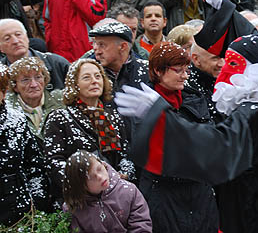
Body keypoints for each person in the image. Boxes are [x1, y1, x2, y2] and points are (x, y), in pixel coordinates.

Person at [115, 33, 258, 233]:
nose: (224, 72)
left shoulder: (253, 111)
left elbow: (216, 147)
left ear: (256, 70)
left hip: (254, 211)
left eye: (232, 65)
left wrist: (160, 116)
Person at [130, 41, 219, 232]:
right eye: (178, 70)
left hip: (200, 198)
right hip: (163, 198)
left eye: (186, 69)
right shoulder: (142, 104)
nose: (185, 75)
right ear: (158, 70)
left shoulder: (194, 98)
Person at [44, 59, 134, 202]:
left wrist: (123, 176)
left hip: (116, 194)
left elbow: (126, 154)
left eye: (98, 76)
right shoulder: (59, 118)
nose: (94, 81)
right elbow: (54, 163)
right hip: (80, 199)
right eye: (87, 77)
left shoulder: (112, 115)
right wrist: (85, 184)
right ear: (74, 85)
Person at [0, 63, 50, 226]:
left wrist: (36, 205)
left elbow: (34, 167)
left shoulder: (17, 121)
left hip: (20, 213)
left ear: (3, 92)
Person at [63, 150, 152, 232]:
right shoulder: (74, 208)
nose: (101, 177)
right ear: (81, 186)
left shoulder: (129, 191)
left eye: (99, 169)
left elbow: (141, 224)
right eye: (92, 177)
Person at [0, 18, 70, 90]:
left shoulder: (57, 63)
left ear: (27, 37)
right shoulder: (1, 74)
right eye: (7, 38)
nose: (15, 41)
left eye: (18, 34)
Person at [6, 57, 63, 143]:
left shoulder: (61, 101)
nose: (33, 84)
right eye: (25, 80)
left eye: (38, 77)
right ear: (15, 86)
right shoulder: (7, 109)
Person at [89, 21, 150, 95]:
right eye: (95, 43)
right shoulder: (88, 72)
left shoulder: (148, 71)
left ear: (122, 47)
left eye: (102, 45)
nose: (96, 50)